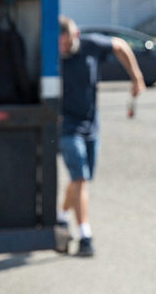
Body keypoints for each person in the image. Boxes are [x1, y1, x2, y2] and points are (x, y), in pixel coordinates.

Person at [58, 16, 145, 256]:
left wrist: (136, 77)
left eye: (66, 44)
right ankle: (85, 235)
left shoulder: (91, 45)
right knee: (80, 178)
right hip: (66, 126)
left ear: (74, 37)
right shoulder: (51, 56)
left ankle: (60, 217)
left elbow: (121, 46)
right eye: (59, 46)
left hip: (90, 124)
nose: (63, 49)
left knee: (80, 178)